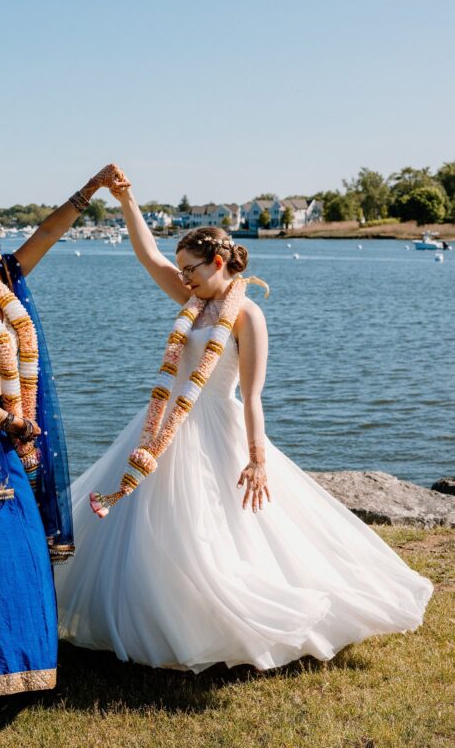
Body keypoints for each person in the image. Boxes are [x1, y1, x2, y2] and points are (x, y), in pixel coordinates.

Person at [55, 180, 433, 673]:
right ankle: (162, 619)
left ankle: (228, 623)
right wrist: (127, 202)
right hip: (165, 424)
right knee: (152, 530)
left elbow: (252, 396)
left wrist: (257, 459)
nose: (182, 277)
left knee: (213, 531)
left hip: (215, 425)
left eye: (190, 268)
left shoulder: (246, 315)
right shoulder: (192, 300)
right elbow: (148, 257)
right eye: (181, 269)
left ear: (217, 264)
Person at [0, 165, 124, 699]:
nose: (1, 256)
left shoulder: (1, 287)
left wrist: (92, 189)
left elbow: (48, 234)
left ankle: (25, 667)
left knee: (23, 552)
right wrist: (12, 421)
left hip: (11, 434)